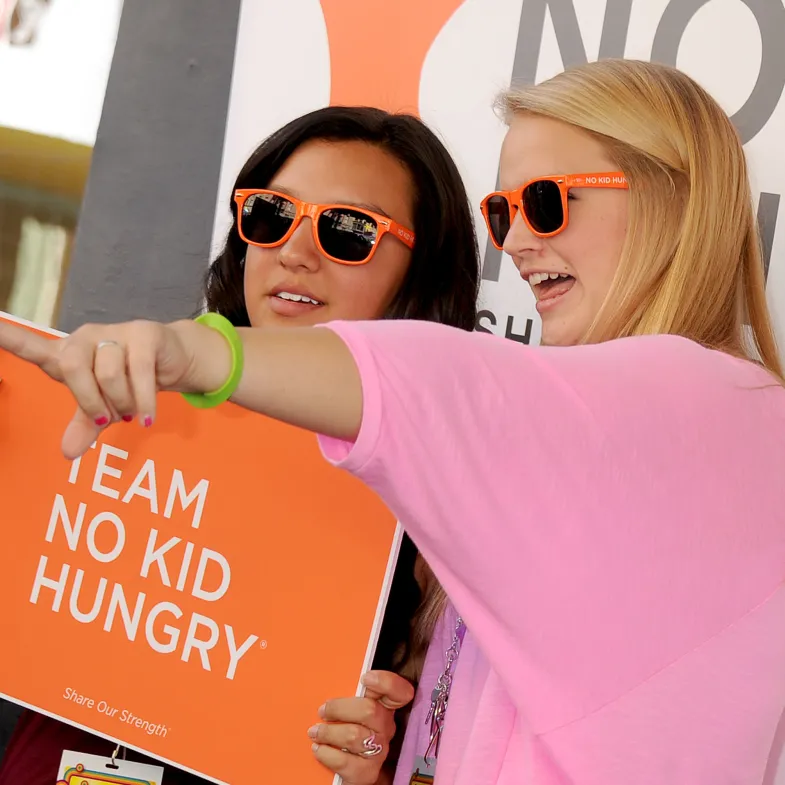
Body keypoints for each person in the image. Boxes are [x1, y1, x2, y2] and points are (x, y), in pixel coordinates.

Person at [2, 57, 784, 785]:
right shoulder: (572, 455)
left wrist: (201, 354)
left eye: (546, 202)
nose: (513, 242)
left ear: (671, 197)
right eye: (503, 211)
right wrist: (390, 759)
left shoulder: (713, 406)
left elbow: (454, 391)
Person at [0, 105, 479, 785]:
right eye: (272, 214)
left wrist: (371, 767)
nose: (295, 251)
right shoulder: (119, 403)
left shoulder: (440, 527)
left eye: (349, 231)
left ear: (421, 274)